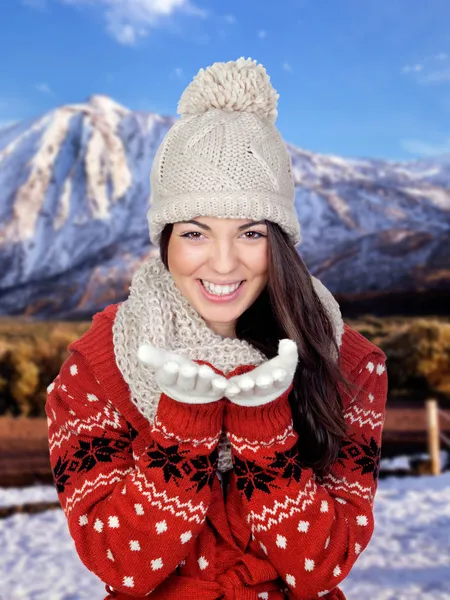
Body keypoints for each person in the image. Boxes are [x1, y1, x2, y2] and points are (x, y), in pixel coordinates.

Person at [45, 57, 388, 600]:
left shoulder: (348, 363)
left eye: (251, 232)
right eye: (196, 233)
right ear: (165, 240)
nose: (224, 265)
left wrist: (265, 427)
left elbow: (323, 567)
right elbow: (120, 564)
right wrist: (183, 427)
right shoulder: (96, 366)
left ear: (280, 240)